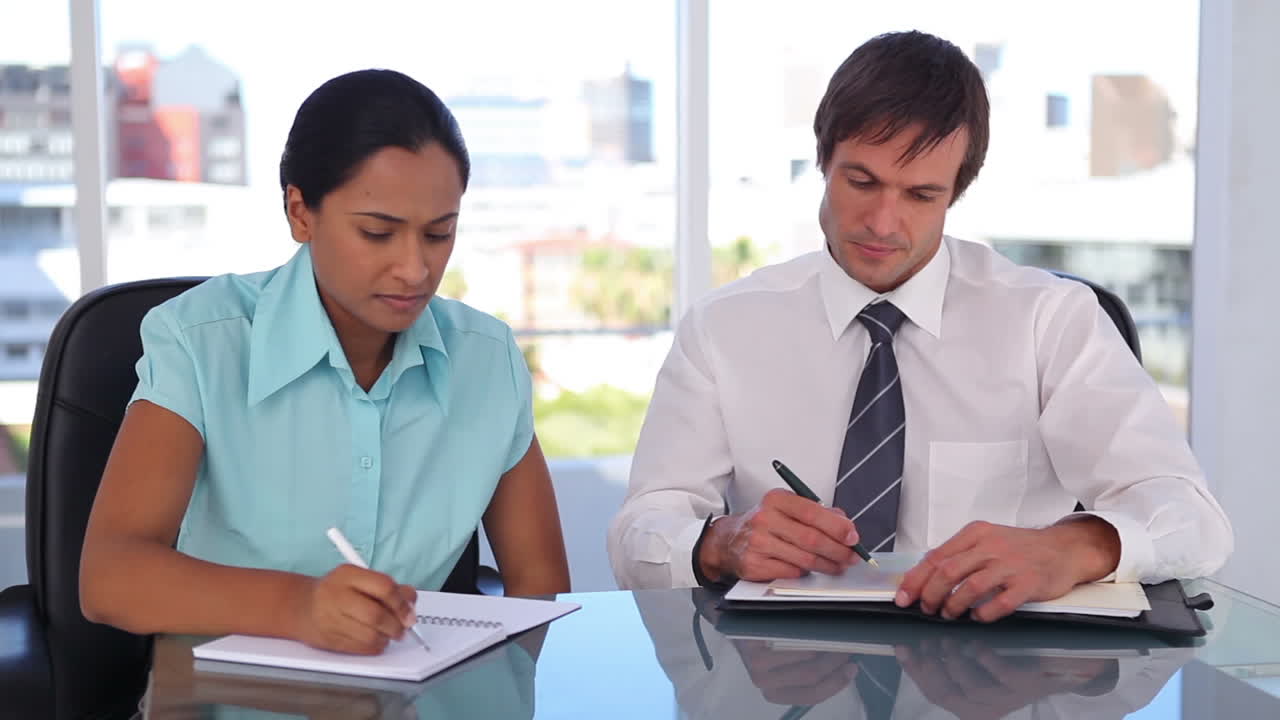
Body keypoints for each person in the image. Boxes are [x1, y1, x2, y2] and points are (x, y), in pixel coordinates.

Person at [608, 30, 1231, 622]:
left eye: (920, 196)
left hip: (995, 672)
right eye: (861, 181)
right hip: (782, 669)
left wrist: (1074, 547)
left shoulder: (1050, 319)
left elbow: (1194, 520)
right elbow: (642, 529)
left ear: (957, 192)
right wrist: (717, 543)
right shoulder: (724, 328)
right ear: (823, 158)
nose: (883, 222)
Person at [80, 69, 571, 655]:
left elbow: (540, 590)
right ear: (300, 213)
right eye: (378, 232)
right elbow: (109, 576)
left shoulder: (486, 361)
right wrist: (298, 607)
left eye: (438, 234)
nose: (415, 269)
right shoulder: (200, 341)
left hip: (420, 697)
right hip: (223, 698)